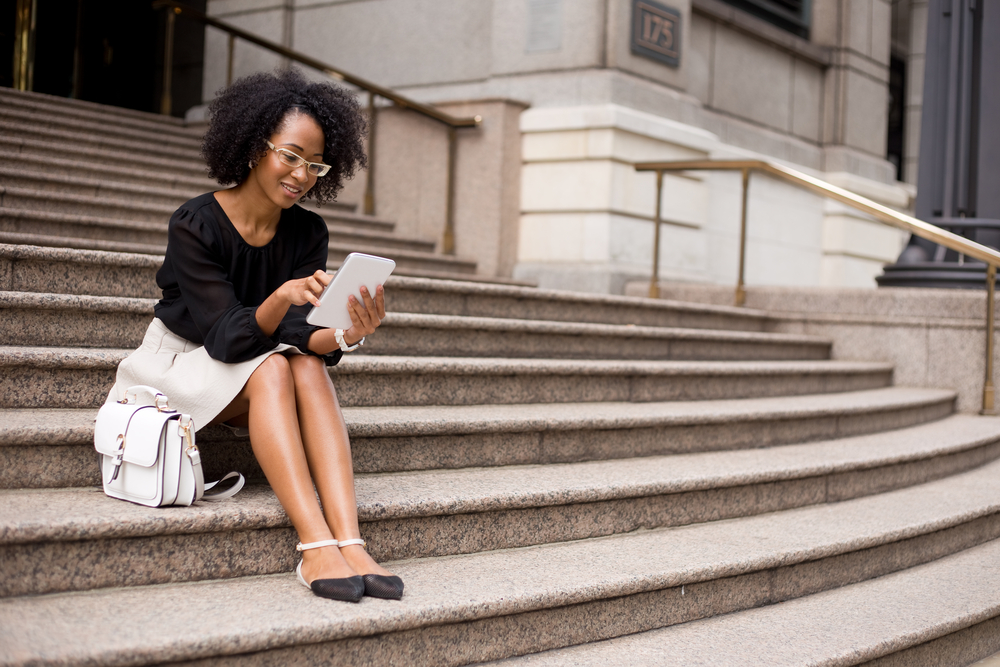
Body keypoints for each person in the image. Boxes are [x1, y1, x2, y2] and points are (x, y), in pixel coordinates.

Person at [105, 68, 402, 602]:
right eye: (289, 155)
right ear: (252, 145)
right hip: (178, 365)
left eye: (315, 164)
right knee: (271, 366)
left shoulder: (308, 231)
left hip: (256, 363)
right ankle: (314, 545)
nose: (302, 174)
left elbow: (297, 333)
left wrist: (345, 333)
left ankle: (349, 539)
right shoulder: (194, 224)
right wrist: (281, 296)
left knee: (303, 363)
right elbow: (223, 336)